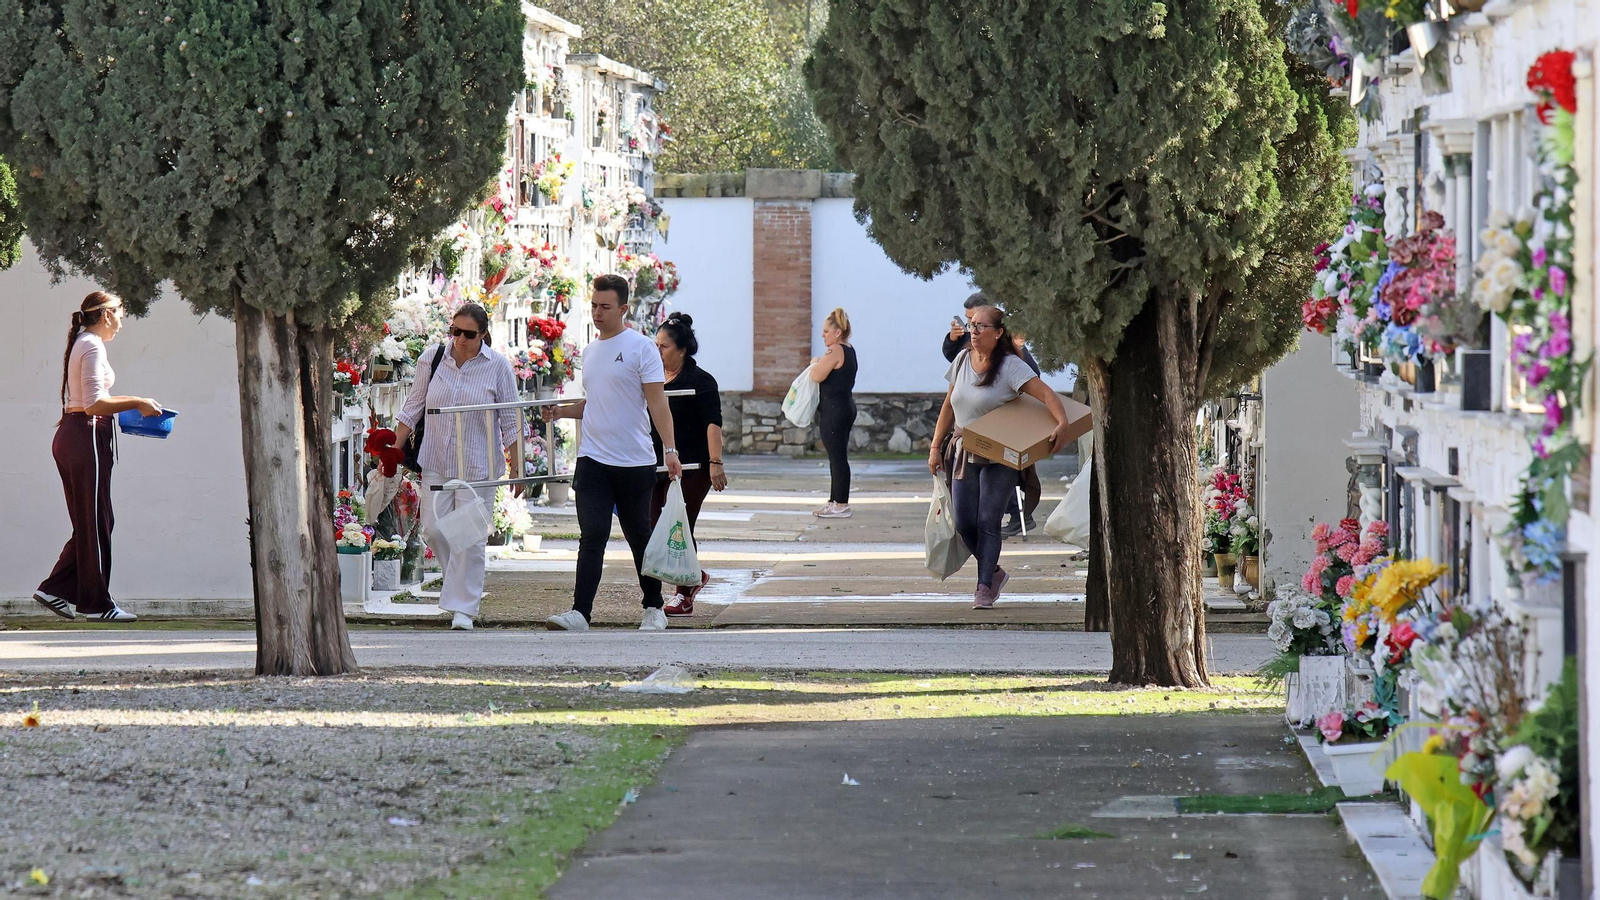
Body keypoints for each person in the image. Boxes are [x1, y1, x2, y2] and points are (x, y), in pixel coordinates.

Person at [544, 274, 682, 632]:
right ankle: (580, 613)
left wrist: (670, 449)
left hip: (634, 461)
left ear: (623, 309)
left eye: (605, 307)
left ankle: (653, 607)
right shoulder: (590, 352)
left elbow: (656, 401)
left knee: (639, 536)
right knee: (592, 535)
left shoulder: (641, 348)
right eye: (593, 305)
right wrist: (562, 411)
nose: (597, 312)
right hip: (592, 460)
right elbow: (596, 402)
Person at [929, 305, 1075, 609]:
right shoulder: (961, 360)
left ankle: (984, 587)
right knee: (964, 521)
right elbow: (948, 406)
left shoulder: (1011, 366)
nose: (974, 331)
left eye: (982, 326)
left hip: (1002, 455)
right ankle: (994, 572)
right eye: (972, 325)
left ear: (998, 333)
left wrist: (1062, 422)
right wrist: (935, 447)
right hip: (964, 450)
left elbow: (1046, 394)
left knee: (987, 519)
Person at [34, 291, 163, 622]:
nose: (122, 321)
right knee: (95, 521)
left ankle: (54, 589)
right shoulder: (91, 345)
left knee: (92, 521)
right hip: (85, 434)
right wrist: (138, 401)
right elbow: (93, 403)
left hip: (76, 435)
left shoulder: (85, 343)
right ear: (106, 315)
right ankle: (98, 605)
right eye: (121, 312)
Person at [395, 303, 519, 631]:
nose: (460, 339)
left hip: (478, 464)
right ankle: (458, 589)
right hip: (436, 457)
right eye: (455, 331)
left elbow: (510, 419)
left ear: (483, 335)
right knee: (434, 530)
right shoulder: (433, 358)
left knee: (470, 537)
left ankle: (463, 607)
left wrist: (517, 467)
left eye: (468, 334)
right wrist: (393, 450)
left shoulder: (498, 367)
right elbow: (413, 406)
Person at [942, 292, 1043, 536]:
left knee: (995, 484)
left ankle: (1019, 516)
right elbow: (956, 362)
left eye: (976, 323)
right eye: (968, 323)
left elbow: (1032, 378)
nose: (971, 330)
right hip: (973, 428)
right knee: (970, 512)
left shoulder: (1010, 354)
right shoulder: (968, 350)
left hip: (1001, 431)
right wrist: (951, 340)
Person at [649, 313, 727, 616]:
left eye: (664, 346)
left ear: (682, 349)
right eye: (655, 345)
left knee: (679, 525)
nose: (658, 352)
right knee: (654, 524)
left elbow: (713, 424)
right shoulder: (652, 379)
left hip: (693, 467)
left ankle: (684, 591)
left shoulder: (701, 381)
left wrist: (715, 463)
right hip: (657, 465)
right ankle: (694, 576)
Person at [809, 307, 857, 518]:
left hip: (835, 410)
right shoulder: (849, 348)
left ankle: (841, 504)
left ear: (838, 332)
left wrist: (814, 363)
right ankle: (834, 500)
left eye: (826, 331)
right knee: (835, 456)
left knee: (837, 457)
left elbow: (817, 376)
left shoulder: (836, 350)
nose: (823, 335)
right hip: (844, 406)